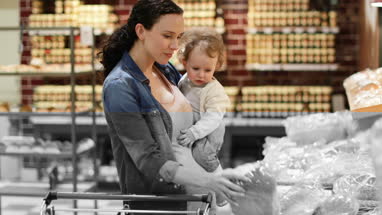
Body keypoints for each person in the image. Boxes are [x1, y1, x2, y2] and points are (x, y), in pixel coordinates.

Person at [99, 0, 249, 214]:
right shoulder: (120, 87)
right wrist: (209, 180)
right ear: (141, 31)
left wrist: (215, 171)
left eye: (178, 37)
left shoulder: (165, 69)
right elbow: (148, 160)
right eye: (167, 36)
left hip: (196, 198)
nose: (175, 46)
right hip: (160, 205)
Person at [176, 28, 230, 207]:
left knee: (205, 157)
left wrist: (194, 132)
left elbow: (213, 118)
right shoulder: (184, 81)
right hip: (195, 127)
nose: (201, 75)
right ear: (184, 62)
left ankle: (223, 190)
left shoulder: (213, 90)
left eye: (208, 69)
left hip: (209, 130)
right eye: (196, 68)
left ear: (217, 66)